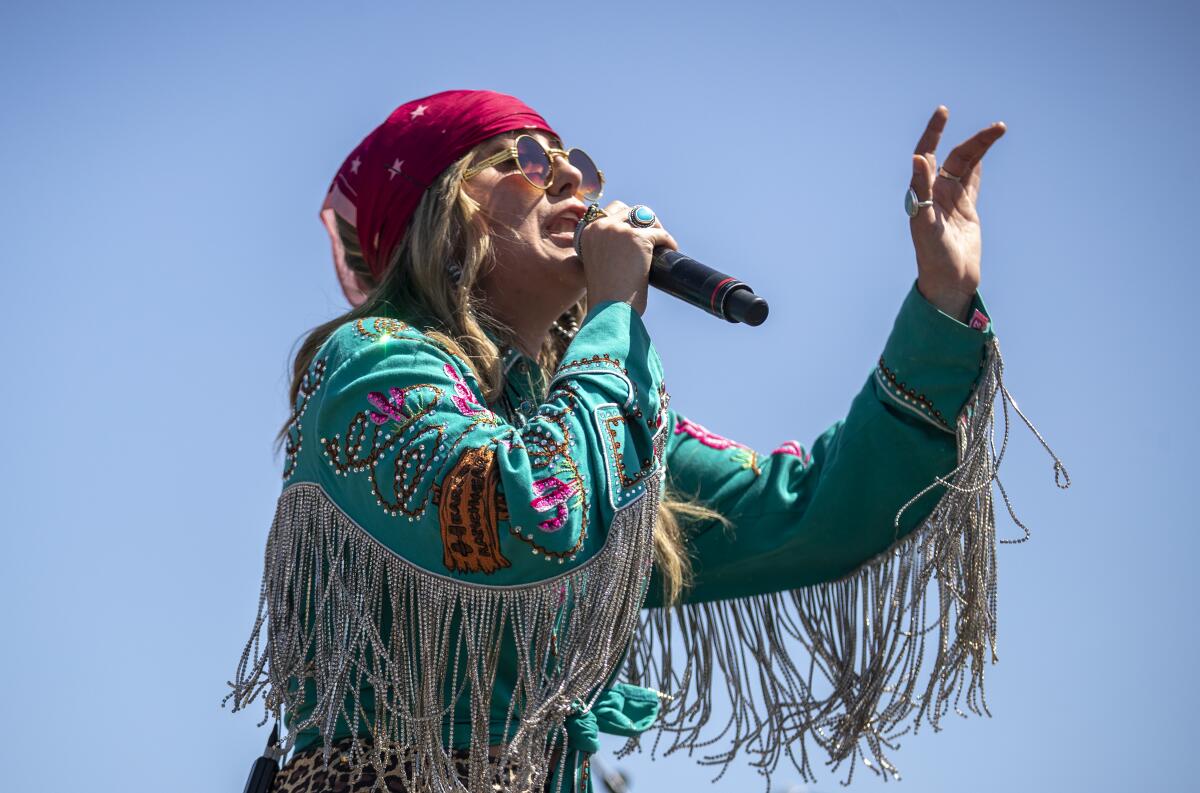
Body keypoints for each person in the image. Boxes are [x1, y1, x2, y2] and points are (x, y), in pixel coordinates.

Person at [225, 90, 1066, 793]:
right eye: (522, 156)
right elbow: (533, 512)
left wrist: (942, 302)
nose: (569, 179)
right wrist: (615, 317)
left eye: (577, 164)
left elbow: (819, 510)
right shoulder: (372, 362)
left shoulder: (585, 407)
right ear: (440, 212)